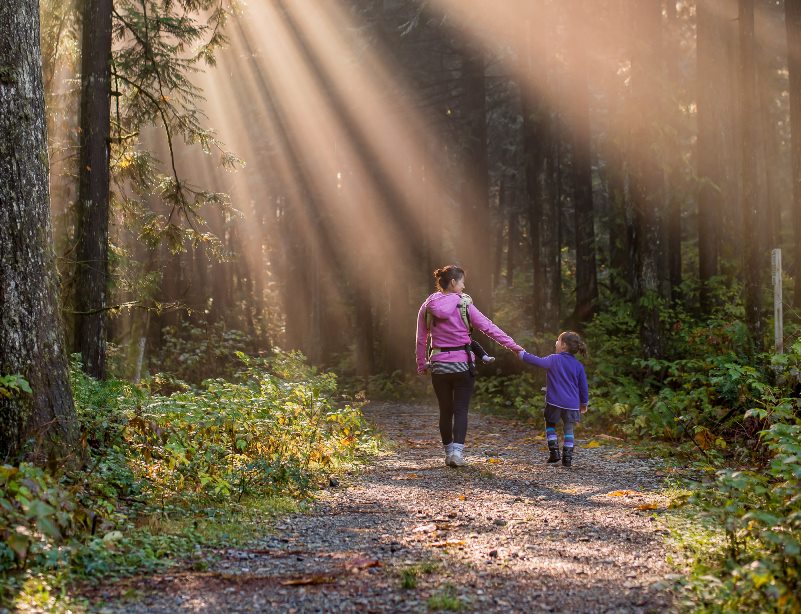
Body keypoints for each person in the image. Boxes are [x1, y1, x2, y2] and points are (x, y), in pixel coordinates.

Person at [416, 265, 523, 467]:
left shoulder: (427, 306)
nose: (464, 286)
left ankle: (448, 454)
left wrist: (422, 364)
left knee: (445, 410)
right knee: (461, 409)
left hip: (439, 365)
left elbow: (421, 339)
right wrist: (514, 347)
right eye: (462, 282)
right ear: (454, 282)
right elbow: (489, 328)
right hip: (463, 365)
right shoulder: (464, 305)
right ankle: (457, 453)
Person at [518, 331, 589, 468]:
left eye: (557, 340)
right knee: (569, 429)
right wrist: (584, 403)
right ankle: (567, 458)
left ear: (563, 345)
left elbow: (536, 361)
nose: (555, 343)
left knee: (550, 424)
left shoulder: (554, 359)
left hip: (554, 402)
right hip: (572, 404)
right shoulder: (578, 366)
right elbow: (583, 387)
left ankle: (554, 452)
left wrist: (522, 354)